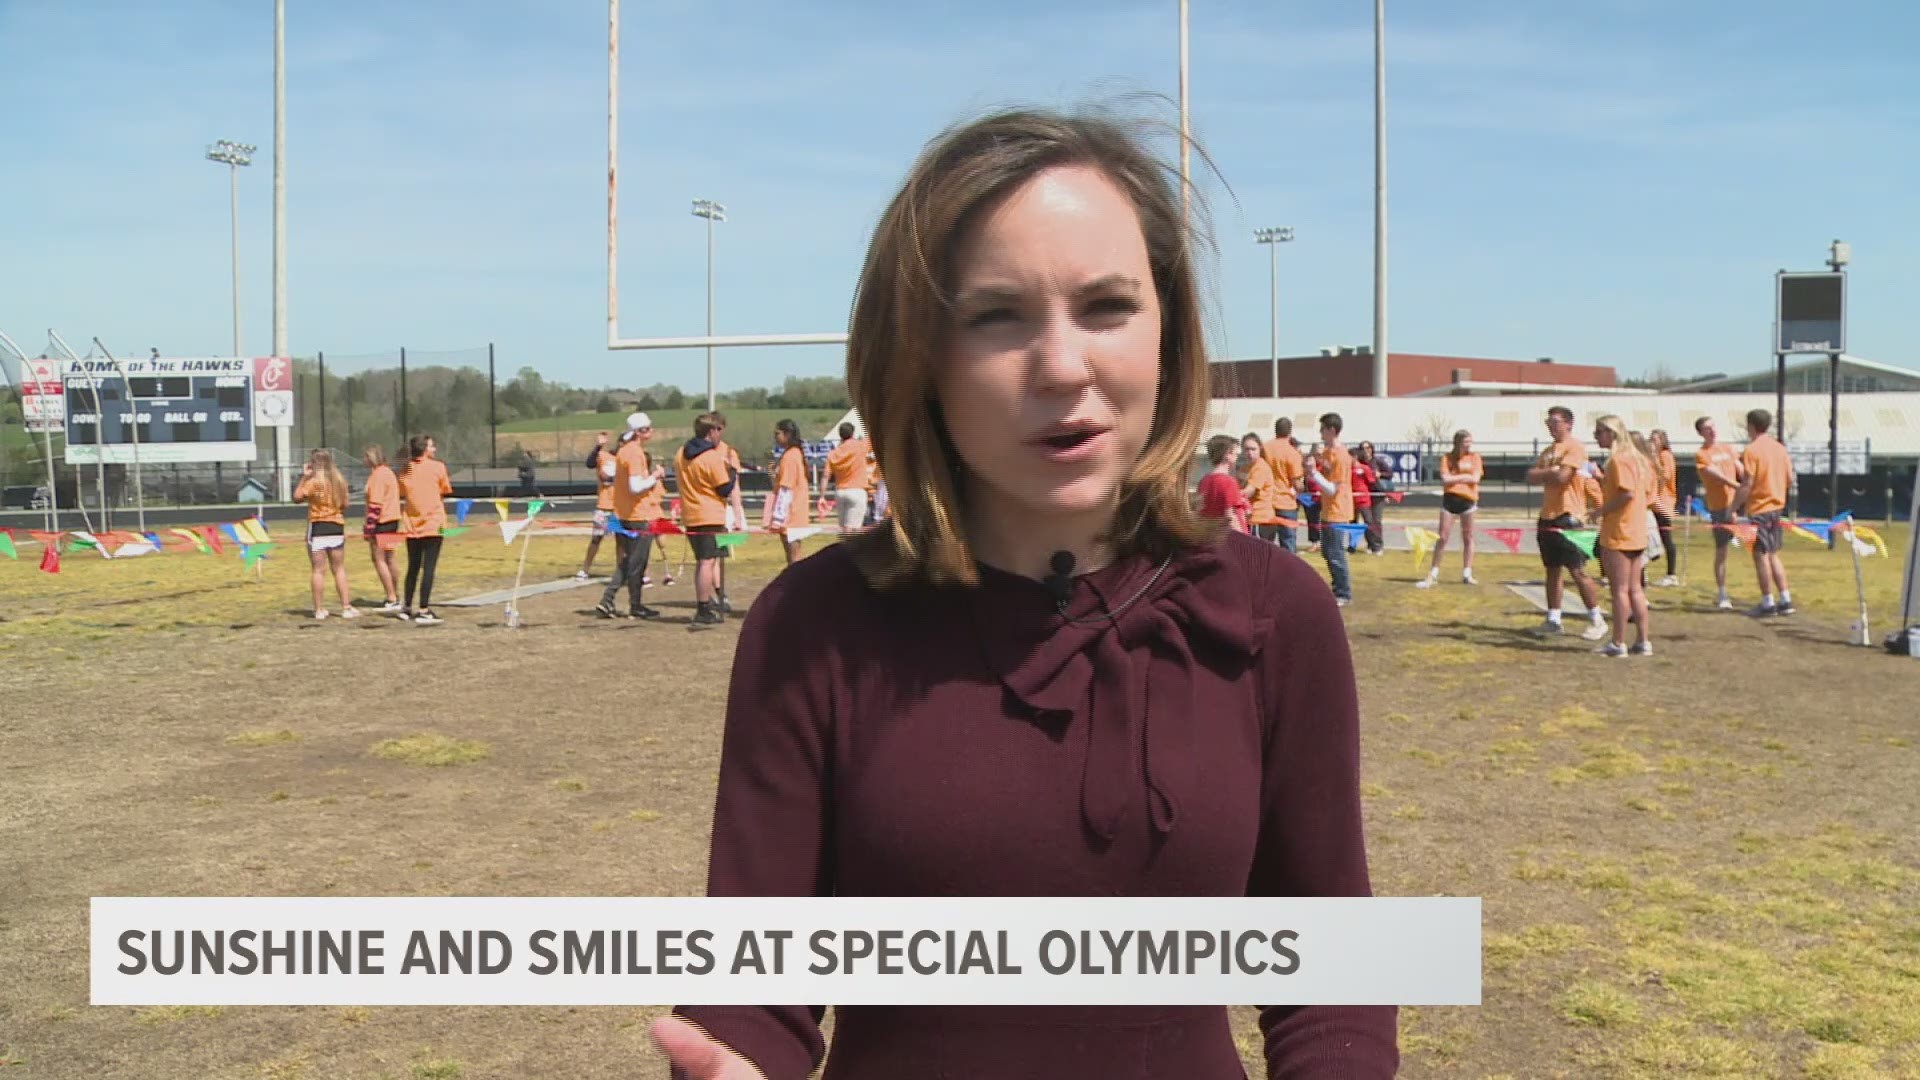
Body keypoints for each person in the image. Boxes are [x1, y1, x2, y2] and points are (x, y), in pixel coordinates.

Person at [653, 106, 1394, 1080]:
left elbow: (1330, 978)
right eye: (996, 316)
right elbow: (752, 995)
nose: (1062, 365)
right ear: (920, 358)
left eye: (1107, 306)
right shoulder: (815, 626)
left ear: (1169, 327)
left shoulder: (1273, 614)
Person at [1526, 406, 1608, 640]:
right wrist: (1550, 470)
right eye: (1548, 422)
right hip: (1547, 515)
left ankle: (1596, 619)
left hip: (1569, 516)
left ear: (1568, 424)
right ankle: (1553, 619)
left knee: (1577, 570)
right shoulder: (1549, 451)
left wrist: (1549, 472)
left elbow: (1564, 477)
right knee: (1552, 570)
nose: (1551, 426)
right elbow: (1531, 476)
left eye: (1555, 422)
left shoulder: (1576, 447)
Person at [1589, 416, 1653, 657]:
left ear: (1611, 433)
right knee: (1636, 589)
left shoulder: (1619, 460)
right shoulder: (1639, 460)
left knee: (1620, 590)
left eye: (1599, 432)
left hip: (1620, 532)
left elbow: (1625, 494)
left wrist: (1599, 511)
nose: (1596, 437)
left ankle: (1618, 643)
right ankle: (1643, 641)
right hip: (1636, 531)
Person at [596, 412, 666, 619]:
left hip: (623, 513)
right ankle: (631, 604)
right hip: (638, 516)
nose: (651, 431)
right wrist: (655, 476)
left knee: (628, 562)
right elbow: (635, 486)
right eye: (648, 428)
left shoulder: (623, 452)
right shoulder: (635, 453)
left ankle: (609, 600)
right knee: (637, 563)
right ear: (639, 432)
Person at [674, 413, 737, 627]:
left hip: (691, 513)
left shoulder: (681, 454)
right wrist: (733, 471)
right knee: (707, 562)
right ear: (711, 432)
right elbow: (724, 488)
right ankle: (703, 607)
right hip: (710, 513)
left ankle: (706, 601)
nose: (721, 434)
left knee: (703, 561)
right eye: (719, 430)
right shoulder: (710, 457)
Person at [1733, 407, 1796, 617]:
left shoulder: (1751, 450)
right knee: (1773, 554)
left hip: (1759, 508)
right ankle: (1785, 598)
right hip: (1777, 507)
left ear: (1751, 426)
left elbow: (1747, 483)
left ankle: (1767, 601)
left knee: (1760, 555)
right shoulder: (1780, 448)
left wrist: (1733, 508)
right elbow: (1789, 478)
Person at [294, 448, 357, 620]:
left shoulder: (313, 482)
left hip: (318, 526)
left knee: (318, 570)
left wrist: (304, 477)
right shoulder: (339, 480)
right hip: (336, 525)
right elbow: (345, 503)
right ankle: (346, 606)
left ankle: (319, 609)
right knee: (339, 569)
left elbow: (297, 497)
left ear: (314, 463)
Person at [398, 433, 452, 624]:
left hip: (412, 525)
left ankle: (406, 607)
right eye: (431, 446)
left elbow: (403, 492)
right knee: (428, 568)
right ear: (424, 449)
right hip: (433, 525)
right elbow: (445, 489)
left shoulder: (405, 470)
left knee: (413, 567)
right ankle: (424, 609)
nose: (434, 449)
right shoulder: (438, 467)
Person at [1419, 429, 1482, 588]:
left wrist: (1458, 478)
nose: (1468, 445)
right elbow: (1445, 479)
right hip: (1450, 500)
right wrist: (1464, 478)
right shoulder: (1447, 458)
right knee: (1443, 537)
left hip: (1468, 500)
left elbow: (1475, 478)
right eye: (1465, 442)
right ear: (1458, 443)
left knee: (1468, 536)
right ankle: (1434, 572)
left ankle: (1467, 573)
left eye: (1470, 442)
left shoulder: (1475, 458)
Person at [1694, 415, 1745, 609]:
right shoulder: (1701, 454)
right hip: (1720, 507)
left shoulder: (1728, 448)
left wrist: (1747, 483)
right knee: (1721, 551)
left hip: (1738, 502)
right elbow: (1713, 473)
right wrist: (1736, 484)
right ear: (1701, 433)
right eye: (1707, 428)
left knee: (1758, 549)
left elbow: (1739, 468)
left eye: (1713, 426)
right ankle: (1722, 593)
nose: (1712, 430)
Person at [1306, 413, 1354, 606]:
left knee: (1335, 552)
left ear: (1332, 431)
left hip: (1338, 510)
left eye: (1323, 429)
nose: (1320, 433)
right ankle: (1337, 588)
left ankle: (1344, 593)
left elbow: (1333, 488)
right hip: (1327, 510)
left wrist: (1314, 473)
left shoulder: (1341, 456)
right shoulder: (1327, 453)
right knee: (1327, 551)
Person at [361, 444, 403, 611]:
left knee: (379, 559)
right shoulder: (389, 473)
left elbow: (375, 505)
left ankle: (391, 597)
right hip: (393, 519)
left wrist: (369, 528)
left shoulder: (377, 475)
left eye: (365, 456)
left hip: (382, 521)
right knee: (390, 558)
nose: (363, 460)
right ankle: (395, 594)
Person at [765, 418, 812, 564]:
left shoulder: (790, 456)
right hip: (793, 513)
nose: (775, 437)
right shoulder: (792, 454)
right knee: (792, 557)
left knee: (794, 557)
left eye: (777, 433)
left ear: (787, 434)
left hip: (791, 514)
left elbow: (786, 489)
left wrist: (778, 517)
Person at [1259, 417, 1304, 552]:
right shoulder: (1292, 452)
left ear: (1275, 430)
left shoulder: (1265, 448)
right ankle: (1289, 572)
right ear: (1290, 432)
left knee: (1265, 544)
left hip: (1267, 501)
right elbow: (1296, 483)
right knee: (1288, 543)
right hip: (1286, 503)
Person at [576, 432, 615, 581]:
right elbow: (590, 463)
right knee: (596, 539)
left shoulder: (627, 459)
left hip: (619, 506)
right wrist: (598, 446)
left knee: (623, 541)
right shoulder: (604, 456)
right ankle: (585, 569)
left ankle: (621, 571)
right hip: (603, 506)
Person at [1197, 434, 1250, 532]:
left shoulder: (1204, 481)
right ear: (1226, 455)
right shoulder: (1228, 482)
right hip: (1230, 538)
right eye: (1234, 453)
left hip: (1211, 534)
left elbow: (1200, 510)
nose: (1237, 456)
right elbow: (1230, 515)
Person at [1237, 432, 1283, 545]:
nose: (1250, 453)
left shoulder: (1260, 467)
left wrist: (1227, 496)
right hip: (1249, 519)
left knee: (1257, 559)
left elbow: (1248, 492)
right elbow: (1236, 486)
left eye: (1253, 449)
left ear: (1260, 449)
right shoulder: (1244, 468)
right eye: (1247, 449)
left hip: (1260, 520)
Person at [825, 422, 871, 532]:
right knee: (854, 527)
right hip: (857, 490)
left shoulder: (834, 453)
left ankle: (846, 547)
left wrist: (822, 495)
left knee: (844, 527)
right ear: (853, 433)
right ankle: (852, 548)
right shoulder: (860, 446)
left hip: (840, 490)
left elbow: (826, 475)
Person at [1649, 429, 1680, 587]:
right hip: (1654, 501)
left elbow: (1665, 476)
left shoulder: (1665, 456)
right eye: (1651, 439)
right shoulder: (1656, 457)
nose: (1652, 442)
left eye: (1655, 439)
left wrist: (1654, 460)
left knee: (1666, 536)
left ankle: (1671, 574)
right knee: (1652, 533)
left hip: (1664, 501)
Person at [1352, 441, 1385, 555]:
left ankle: (1377, 546)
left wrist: (1382, 494)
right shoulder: (1348, 470)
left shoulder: (1365, 468)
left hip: (1364, 499)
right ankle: (1355, 546)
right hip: (1352, 500)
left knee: (1370, 521)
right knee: (1353, 523)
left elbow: (1372, 482)